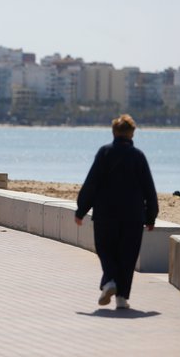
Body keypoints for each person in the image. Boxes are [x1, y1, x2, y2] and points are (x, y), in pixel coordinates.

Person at [74, 114, 159, 310]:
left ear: (114, 132)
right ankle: (122, 297)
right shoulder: (138, 156)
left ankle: (110, 280)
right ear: (131, 133)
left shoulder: (104, 153)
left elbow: (91, 183)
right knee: (128, 255)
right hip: (133, 216)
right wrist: (151, 216)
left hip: (106, 214)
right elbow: (149, 188)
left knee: (106, 249)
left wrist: (81, 210)